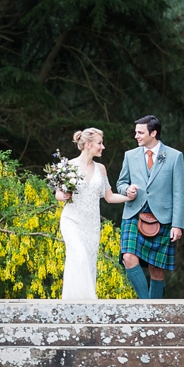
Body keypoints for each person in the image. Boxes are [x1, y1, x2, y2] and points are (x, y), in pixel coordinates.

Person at [56, 128, 135, 299]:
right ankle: (82, 301)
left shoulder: (101, 169)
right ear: (88, 145)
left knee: (89, 262)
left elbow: (109, 196)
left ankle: (82, 306)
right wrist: (64, 195)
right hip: (72, 221)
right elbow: (58, 194)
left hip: (92, 225)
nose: (103, 147)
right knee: (79, 256)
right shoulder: (69, 166)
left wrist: (129, 197)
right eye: (100, 143)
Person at [116, 115, 184, 299]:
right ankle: (146, 307)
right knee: (128, 257)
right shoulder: (130, 156)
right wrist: (127, 190)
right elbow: (121, 183)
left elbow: (179, 192)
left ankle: (155, 311)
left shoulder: (174, 156)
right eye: (136, 132)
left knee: (157, 270)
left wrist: (177, 225)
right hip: (134, 213)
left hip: (162, 218)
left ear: (153, 133)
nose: (136, 136)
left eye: (140, 132)